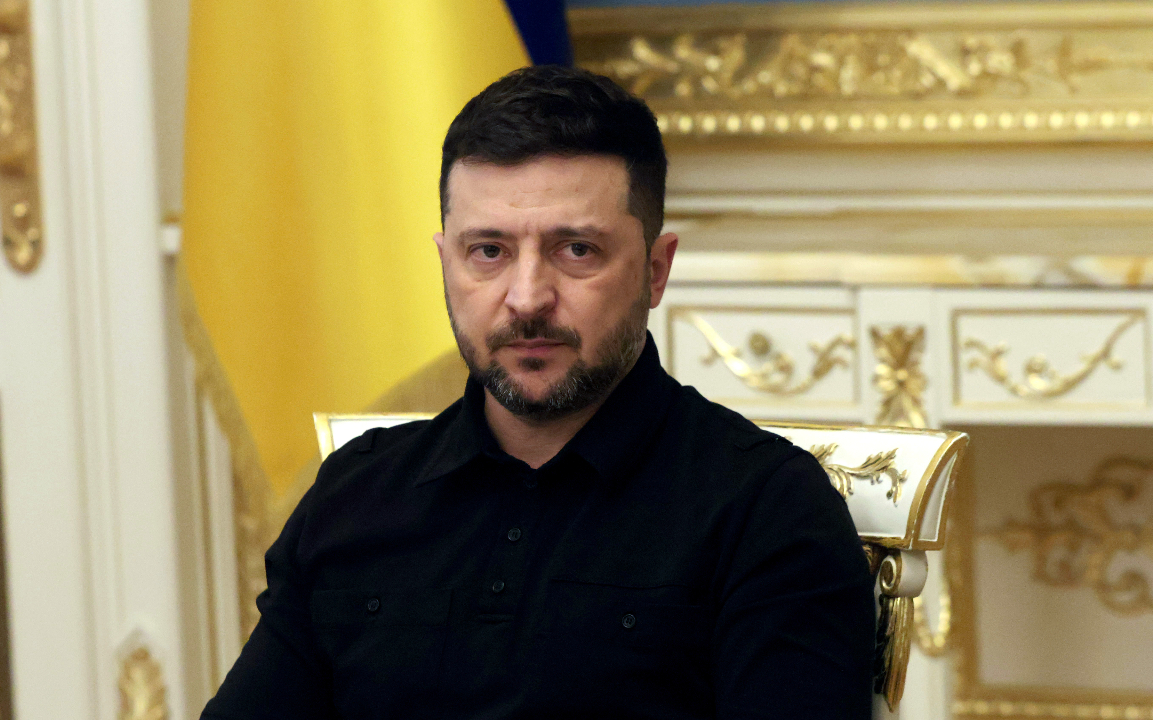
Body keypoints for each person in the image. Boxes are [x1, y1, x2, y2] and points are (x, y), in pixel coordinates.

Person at [202, 65, 874, 719]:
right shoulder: (355, 493)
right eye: (488, 251)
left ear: (655, 270)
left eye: (576, 250)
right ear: (446, 263)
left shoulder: (766, 509)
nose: (526, 298)